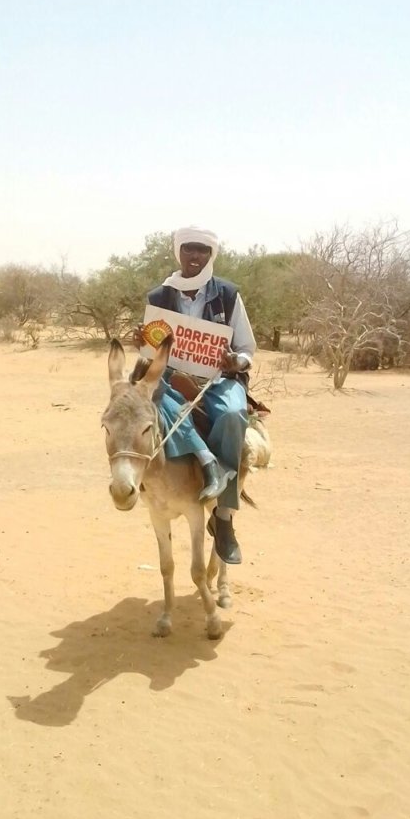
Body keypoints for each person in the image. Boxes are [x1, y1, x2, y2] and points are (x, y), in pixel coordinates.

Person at [133, 225, 256, 564]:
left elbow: (247, 348)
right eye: (189, 249)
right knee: (139, 415)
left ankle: (225, 518)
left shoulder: (227, 294)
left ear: (210, 255)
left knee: (232, 415)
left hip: (218, 379)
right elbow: (151, 352)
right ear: (179, 253)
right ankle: (136, 483)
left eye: (202, 250)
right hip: (171, 379)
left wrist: (237, 360)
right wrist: (141, 346)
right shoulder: (160, 296)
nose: (195, 256)